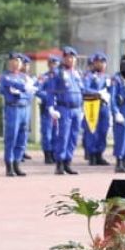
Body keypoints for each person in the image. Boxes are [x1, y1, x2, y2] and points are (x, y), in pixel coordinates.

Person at [46, 47, 85, 175]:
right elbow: (51, 91)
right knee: (63, 136)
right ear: (64, 58)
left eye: (73, 57)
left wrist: (83, 107)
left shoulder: (77, 73)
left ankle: (68, 162)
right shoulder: (58, 73)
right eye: (68, 57)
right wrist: (51, 107)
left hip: (76, 109)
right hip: (64, 108)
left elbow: (82, 91)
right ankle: (59, 164)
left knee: (73, 138)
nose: (71, 60)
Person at [0, 52, 33, 177]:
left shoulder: (25, 77)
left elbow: (30, 93)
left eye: (18, 61)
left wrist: (21, 91)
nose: (16, 64)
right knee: (11, 137)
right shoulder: (6, 77)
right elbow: (8, 89)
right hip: (13, 108)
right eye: (13, 61)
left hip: (25, 108)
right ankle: (9, 165)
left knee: (22, 138)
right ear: (9, 63)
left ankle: (17, 163)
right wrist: (22, 89)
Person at [82, 52, 113, 166]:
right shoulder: (88, 76)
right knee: (92, 131)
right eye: (99, 62)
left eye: (103, 62)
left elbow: (111, 91)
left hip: (104, 106)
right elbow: (85, 89)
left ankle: (100, 154)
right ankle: (92, 155)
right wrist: (98, 93)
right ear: (94, 63)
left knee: (103, 131)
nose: (101, 64)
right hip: (92, 105)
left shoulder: (107, 77)